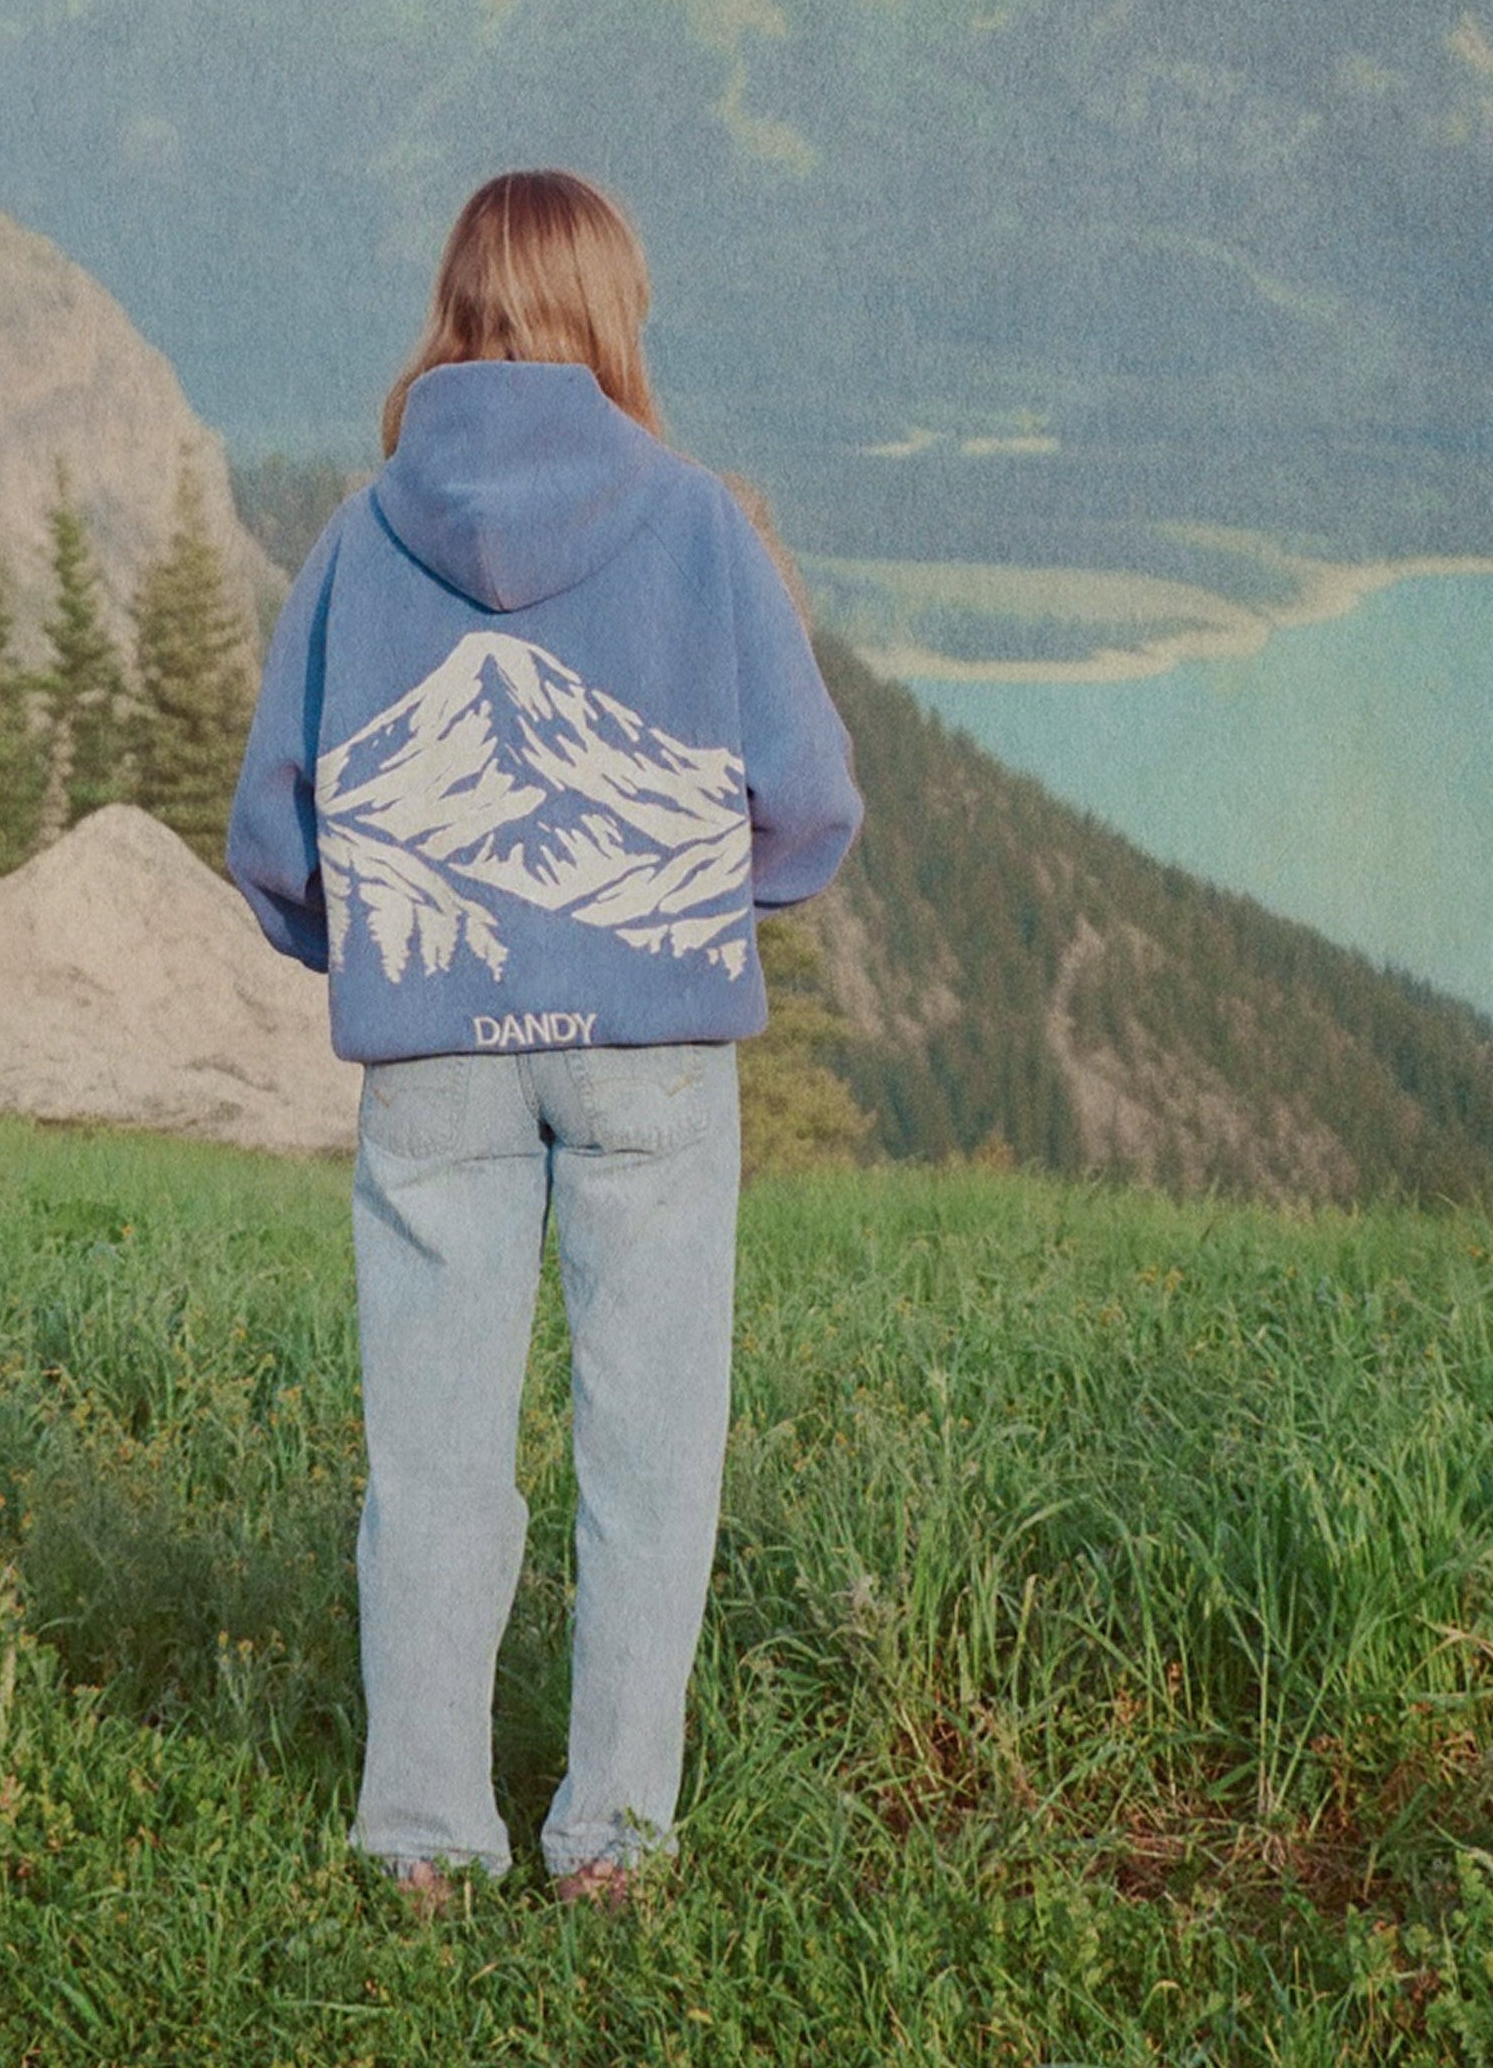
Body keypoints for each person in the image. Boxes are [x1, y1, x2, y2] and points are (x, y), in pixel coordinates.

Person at [226, 168, 862, 1911]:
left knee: (433, 1455)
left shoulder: (362, 537)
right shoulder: (698, 521)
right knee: (649, 1447)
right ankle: (613, 1840)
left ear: (453, 310)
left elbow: (275, 840)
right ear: (611, 311)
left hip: (432, 1049)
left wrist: (380, 955)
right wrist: (685, 908)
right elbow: (811, 804)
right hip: (652, 1040)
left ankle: (424, 1839)